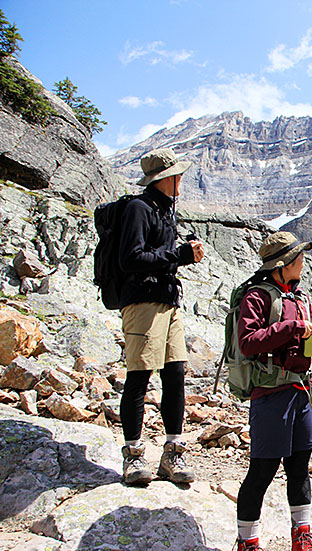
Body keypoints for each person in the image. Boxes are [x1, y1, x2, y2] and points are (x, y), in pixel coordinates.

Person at [235, 231, 312, 551]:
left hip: (302, 391)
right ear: (282, 264)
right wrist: (291, 330)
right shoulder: (258, 297)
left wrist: (309, 339)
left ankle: (302, 538)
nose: (303, 262)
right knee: (263, 469)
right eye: (298, 257)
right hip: (271, 394)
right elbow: (247, 342)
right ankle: (248, 547)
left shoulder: (299, 297)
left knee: (300, 468)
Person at [118, 148, 204, 486]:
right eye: (177, 174)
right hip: (143, 303)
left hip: (167, 302)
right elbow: (131, 258)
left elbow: (157, 256)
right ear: (164, 178)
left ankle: (173, 451)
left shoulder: (163, 211)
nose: (181, 179)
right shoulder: (139, 209)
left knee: (175, 374)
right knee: (139, 376)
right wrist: (179, 253)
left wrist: (180, 254)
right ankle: (133, 456)